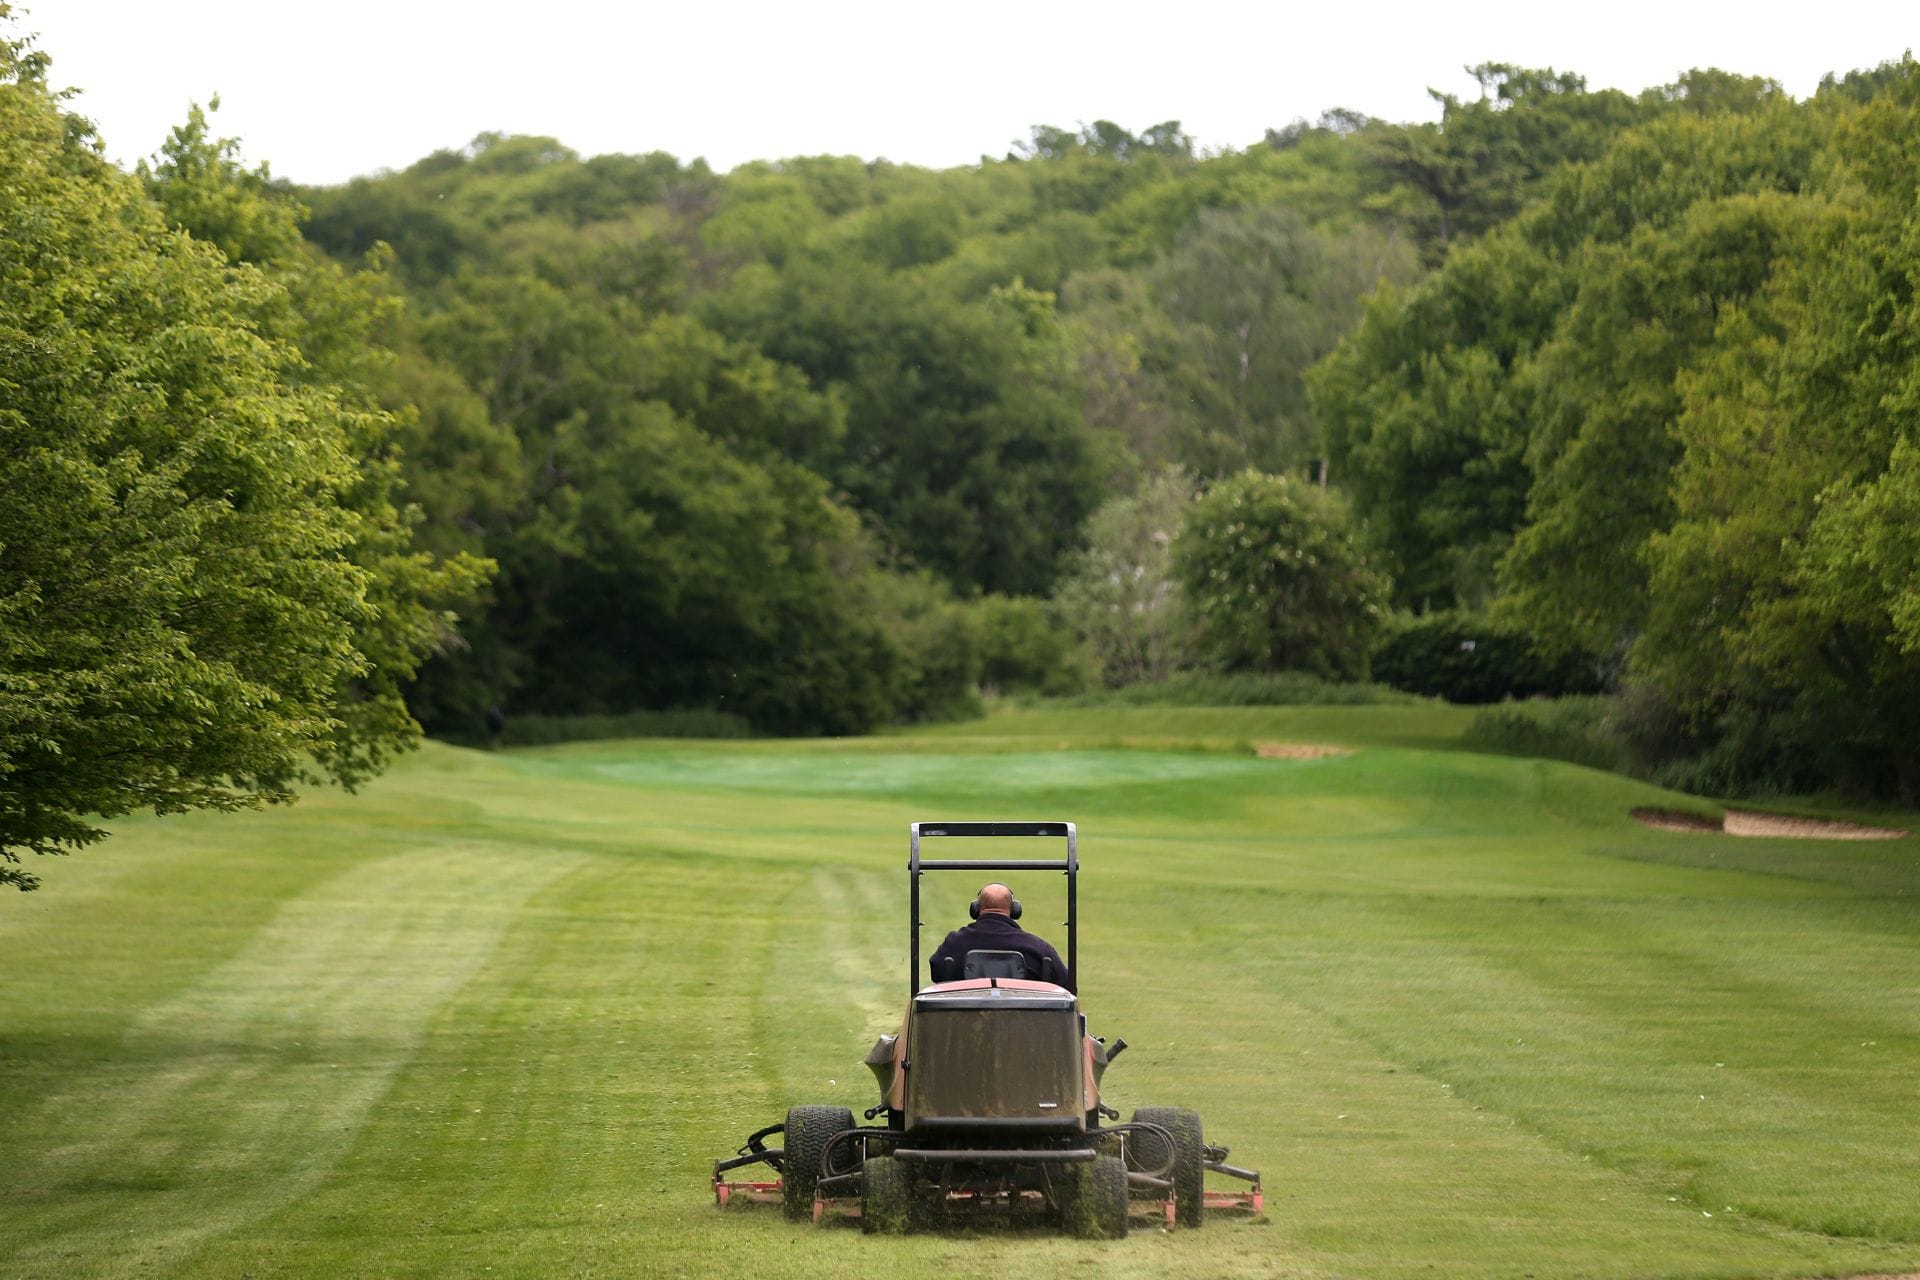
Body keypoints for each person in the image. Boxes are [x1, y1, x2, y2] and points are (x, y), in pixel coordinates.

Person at [929, 882, 1074, 992]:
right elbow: (1066, 985)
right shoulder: (1038, 948)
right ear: (1015, 910)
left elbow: (937, 973)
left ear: (976, 908)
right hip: (1025, 1026)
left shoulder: (954, 943)